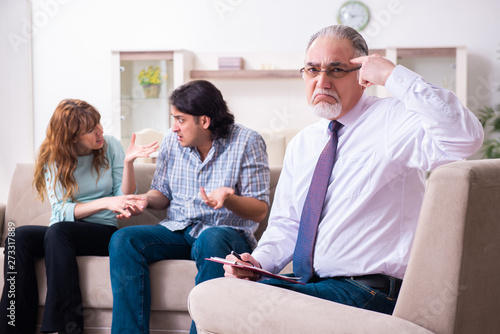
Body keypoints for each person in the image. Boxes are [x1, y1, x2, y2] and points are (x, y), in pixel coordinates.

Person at [223, 25, 484, 316]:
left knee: (232, 307)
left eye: (335, 70)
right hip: (316, 285)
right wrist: (256, 264)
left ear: (363, 77)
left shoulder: (391, 119)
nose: (322, 81)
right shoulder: (303, 144)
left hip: (370, 290)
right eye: (312, 70)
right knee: (222, 295)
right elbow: (288, 225)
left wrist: (393, 76)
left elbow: (465, 139)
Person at [108, 80, 270, 333]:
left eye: (180, 120)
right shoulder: (172, 142)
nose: (174, 128)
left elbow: (259, 209)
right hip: (179, 230)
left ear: (204, 121)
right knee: (123, 239)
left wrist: (228, 199)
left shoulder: (248, 141)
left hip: (225, 234)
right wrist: (146, 199)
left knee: (211, 238)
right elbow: (162, 194)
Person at [0, 99, 157, 334]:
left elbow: (124, 197)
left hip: (101, 232)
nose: (100, 131)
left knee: (58, 231)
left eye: (99, 124)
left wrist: (128, 163)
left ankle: (64, 328)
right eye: (91, 129)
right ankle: (12, 328)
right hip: (61, 234)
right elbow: (61, 210)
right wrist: (104, 202)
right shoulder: (52, 155)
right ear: (73, 137)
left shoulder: (111, 145)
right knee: (16, 238)